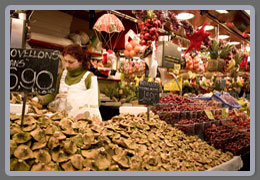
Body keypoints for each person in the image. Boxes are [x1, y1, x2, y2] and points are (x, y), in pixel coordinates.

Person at [32, 44, 102, 121]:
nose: (67, 65)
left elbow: (96, 101)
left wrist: (72, 98)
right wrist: (38, 99)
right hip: (60, 119)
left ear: (81, 61)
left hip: (80, 121)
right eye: (65, 61)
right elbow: (52, 95)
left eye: (71, 62)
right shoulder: (63, 75)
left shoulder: (89, 77)